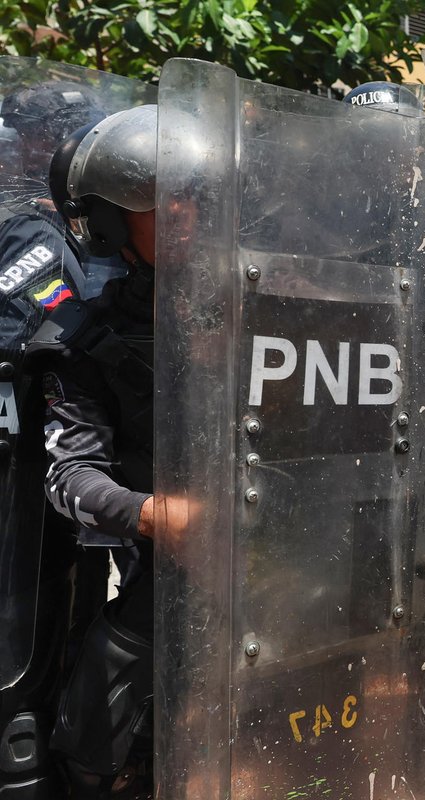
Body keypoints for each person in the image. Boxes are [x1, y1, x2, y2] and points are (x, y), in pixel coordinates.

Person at [38, 103, 161, 798]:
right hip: (173, 576)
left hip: (302, 568)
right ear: (113, 226)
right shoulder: (86, 337)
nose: (192, 219)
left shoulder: (279, 308)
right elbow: (71, 473)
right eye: (162, 206)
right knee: (97, 734)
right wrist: (153, 514)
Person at [0, 79, 110, 799]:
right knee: (25, 631)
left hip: (46, 459)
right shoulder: (29, 230)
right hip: (27, 465)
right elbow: (62, 328)